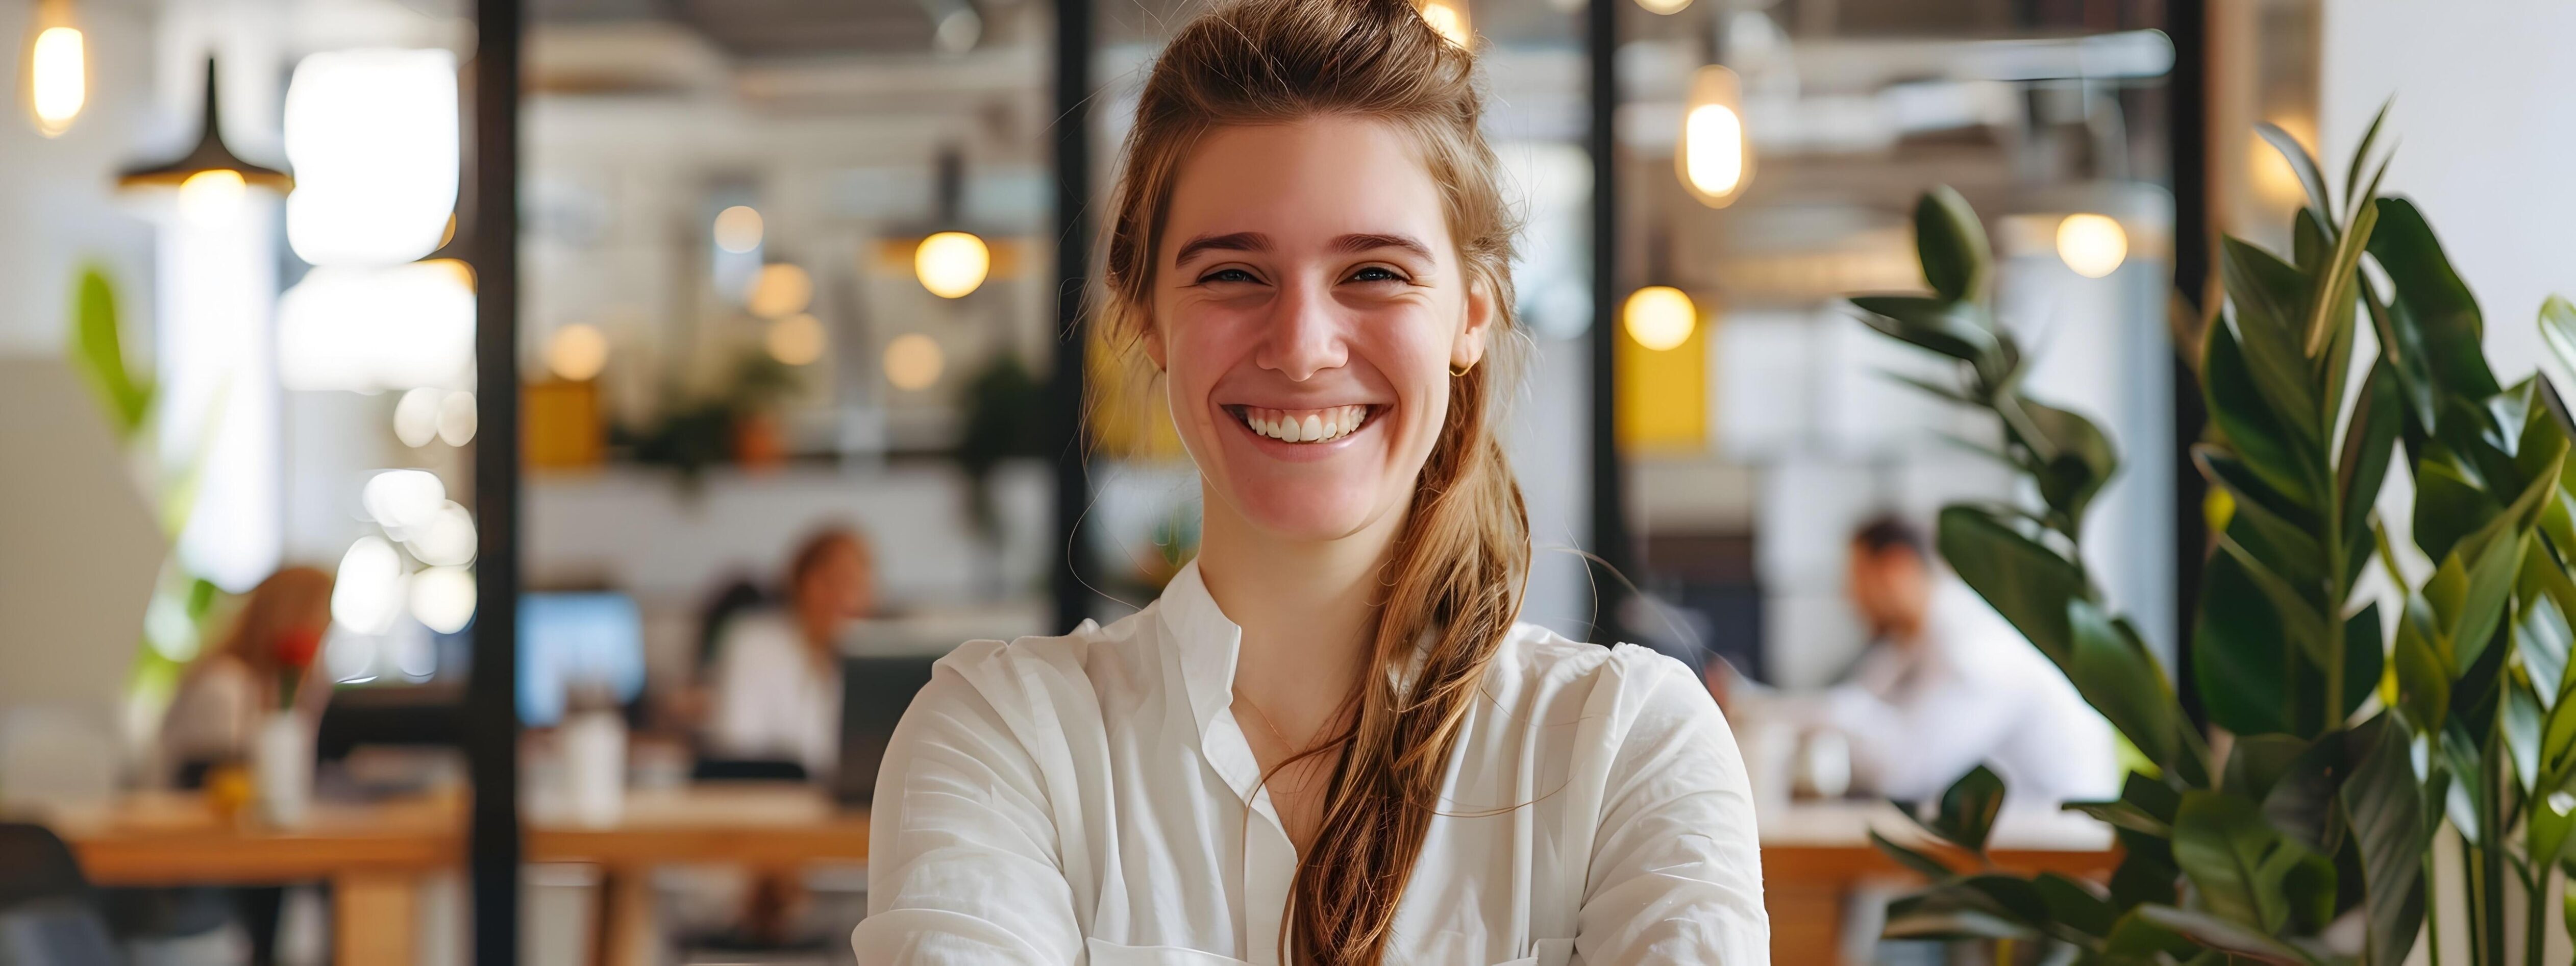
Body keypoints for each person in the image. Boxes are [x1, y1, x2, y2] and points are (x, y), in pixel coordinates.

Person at [854, 1, 1766, 961]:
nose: (1299, 348)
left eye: (1373, 273)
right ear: (1147, 319)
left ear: (1470, 316)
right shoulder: (1009, 737)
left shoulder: (1625, 745)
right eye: (1231, 275)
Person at [1807, 516, 2117, 806]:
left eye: (1858, 577)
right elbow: (1860, 701)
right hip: (2009, 835)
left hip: (2058, 840)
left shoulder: (1972, 644)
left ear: (1895, 568)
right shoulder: (1913, 641)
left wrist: (1831, 717)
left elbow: (1908, 770)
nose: (1849, 595)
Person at [702, 526, 874, 780]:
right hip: (770, 801)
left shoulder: (873, 661)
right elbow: (738, 747)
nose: (843, 598)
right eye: (830, 581)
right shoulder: (753, 643)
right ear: (799, 583)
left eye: (854, 585)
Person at [161, 566, 334, 776]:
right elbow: (215, 782)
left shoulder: (277, 694)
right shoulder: (225, 686)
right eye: (321, 616)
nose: (325, 629)